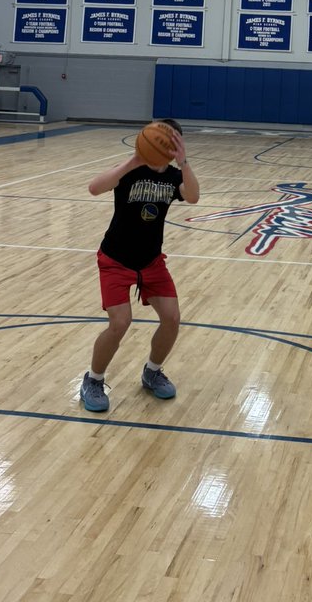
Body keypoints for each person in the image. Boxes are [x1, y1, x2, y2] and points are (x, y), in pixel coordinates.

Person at [79, 119, 200, 413]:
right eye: (162, 140)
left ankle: (152, 372)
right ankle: (93, 380)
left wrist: (184, 163)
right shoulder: (131, 172)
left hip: (151, 261)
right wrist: (134, 159)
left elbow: (194, 196)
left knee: (171, 319)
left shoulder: (173, 177)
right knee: (120, 323)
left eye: (171, 143)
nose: (164, 146)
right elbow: (94, 188)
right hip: (115, 260)